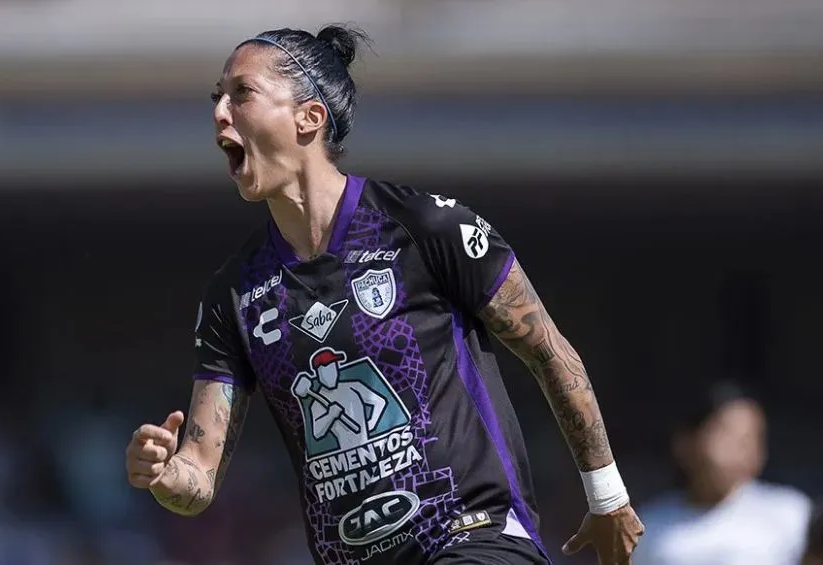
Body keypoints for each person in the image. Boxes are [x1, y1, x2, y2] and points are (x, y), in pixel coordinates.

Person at [125, 24, 644, 565]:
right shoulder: (235, 292)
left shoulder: (423, 227)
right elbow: (198, 478)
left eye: (242, 93)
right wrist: (162, 475)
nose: (220, 113)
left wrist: (606, 497)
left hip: (475, 537)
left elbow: (550, 354)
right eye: (217, 97)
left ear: (309, 117)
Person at [633, 381, 812, 565]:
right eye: (729, 435)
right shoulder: (648, 526)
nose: (744, 450)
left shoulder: (792, 514)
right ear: (685, 443)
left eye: (751, 438)